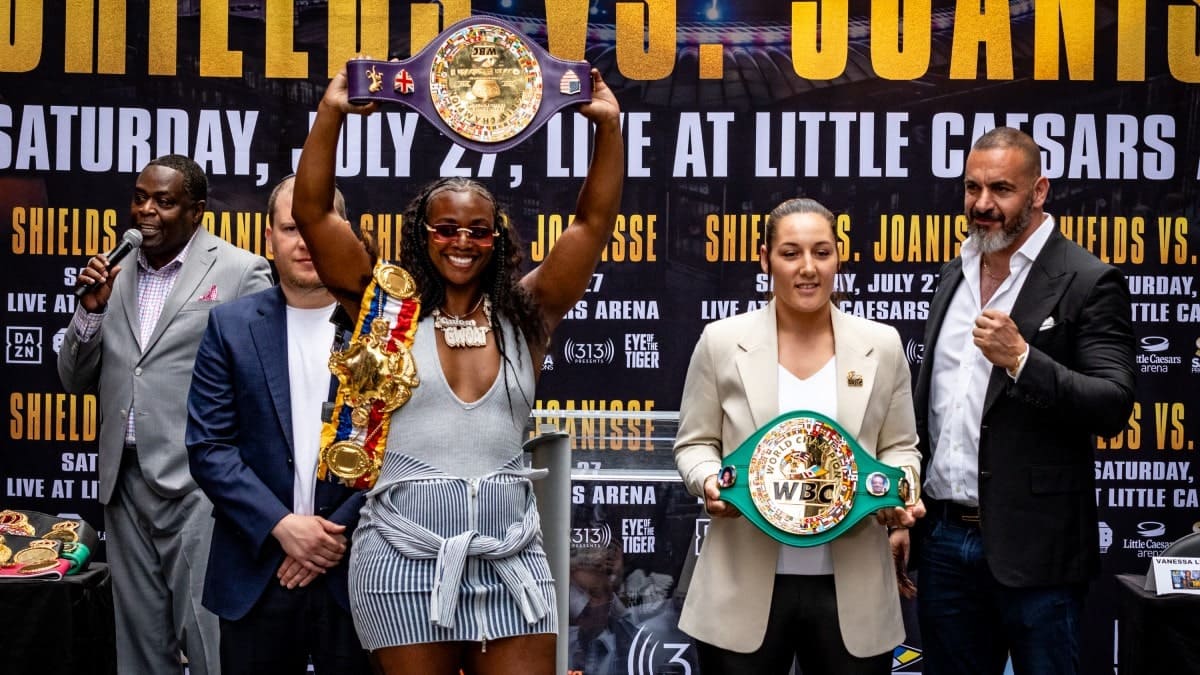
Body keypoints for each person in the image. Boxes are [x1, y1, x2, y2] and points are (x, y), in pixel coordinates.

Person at [289, 64, 622, 675]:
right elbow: (314, 215)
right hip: (401, 562)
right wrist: (331, 113)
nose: (461, 241)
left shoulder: (527, 315)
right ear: (422, 233)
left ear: (497, 239)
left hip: (510, 563)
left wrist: (608, 130)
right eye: (445, 228)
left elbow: (590, 226)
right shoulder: (385, 310)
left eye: (478, 230)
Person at [913, 126, 1136, 675]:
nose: (982, 205)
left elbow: (1112, 404)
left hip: (1039, 556)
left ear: (1039, 192)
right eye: (971, 189)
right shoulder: (954, 275)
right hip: (943, 544)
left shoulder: (1086, 279)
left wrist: (1021, 360)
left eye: (1001, 190)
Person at [673, 198, 924, 674]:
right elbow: (695, 442)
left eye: (821, 252)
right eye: (790, 253)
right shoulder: (722, 341)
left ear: (838, 257)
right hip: (741, 587)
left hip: (854, 591)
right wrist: (708, 480)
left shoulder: (882, 345)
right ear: (764, 258)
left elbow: (900, 448)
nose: (808, 268)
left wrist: (900, 491)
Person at [57, 154, 272, 674]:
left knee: (207, 637)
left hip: (200, 485)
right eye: (139, 197)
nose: (145, 211)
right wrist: (90, 311)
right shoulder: (113, 270)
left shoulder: (241, 271)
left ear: (197, 211)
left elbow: (265, 385)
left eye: (163, 201)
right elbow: (73, 378)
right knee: (138, 643)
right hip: (124, 480)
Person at [185, 176, 370, 674]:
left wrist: (329, 537)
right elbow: (209, 447)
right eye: (291, 228)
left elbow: (399, 445)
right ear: (268, 237)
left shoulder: (380, 327)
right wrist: (284, 527)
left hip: (355, 575)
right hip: (255, 571)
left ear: (343, 232)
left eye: (317, 226)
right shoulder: (229, 326)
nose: (305, 241)